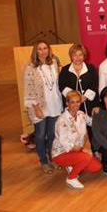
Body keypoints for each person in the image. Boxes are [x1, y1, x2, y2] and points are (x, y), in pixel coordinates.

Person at [24, 41, 63, 173]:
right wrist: (36, 107)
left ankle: (53, 158)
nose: (43, 51)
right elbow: (29, 90)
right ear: (36, 51)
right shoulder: (30, 67)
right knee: (40, 135)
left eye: (45, 48)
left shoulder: (54, 63)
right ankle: (43, 161)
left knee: (52, 134)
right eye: (39, 49)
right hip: (40, 106)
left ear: (49, 49)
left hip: (54, 104)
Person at [51, 91, 102, 189]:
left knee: (96, 167)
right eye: (72, 102)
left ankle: (72, 164)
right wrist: (83, 150)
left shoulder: (81, 114)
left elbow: (92, 122)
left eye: (78, 102)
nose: (75, 105)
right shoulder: (62, 120)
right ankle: (71, 178)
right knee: (86, 157)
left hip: (76, 151)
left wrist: (99, 114)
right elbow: (65, 143)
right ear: (67, 103)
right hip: (61, 153)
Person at [58, 44, 99, 137]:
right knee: (73, 131)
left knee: (91, 131)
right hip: (72, 105)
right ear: (71, 56)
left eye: (80, 54)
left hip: (88, 104)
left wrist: (85, 97)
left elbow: (94, 85)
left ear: (84, 56)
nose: (78, 58)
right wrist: (74, 97)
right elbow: (61, 86)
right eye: (75, 55)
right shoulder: (65, 70)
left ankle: (92, 146)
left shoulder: (91, 69)